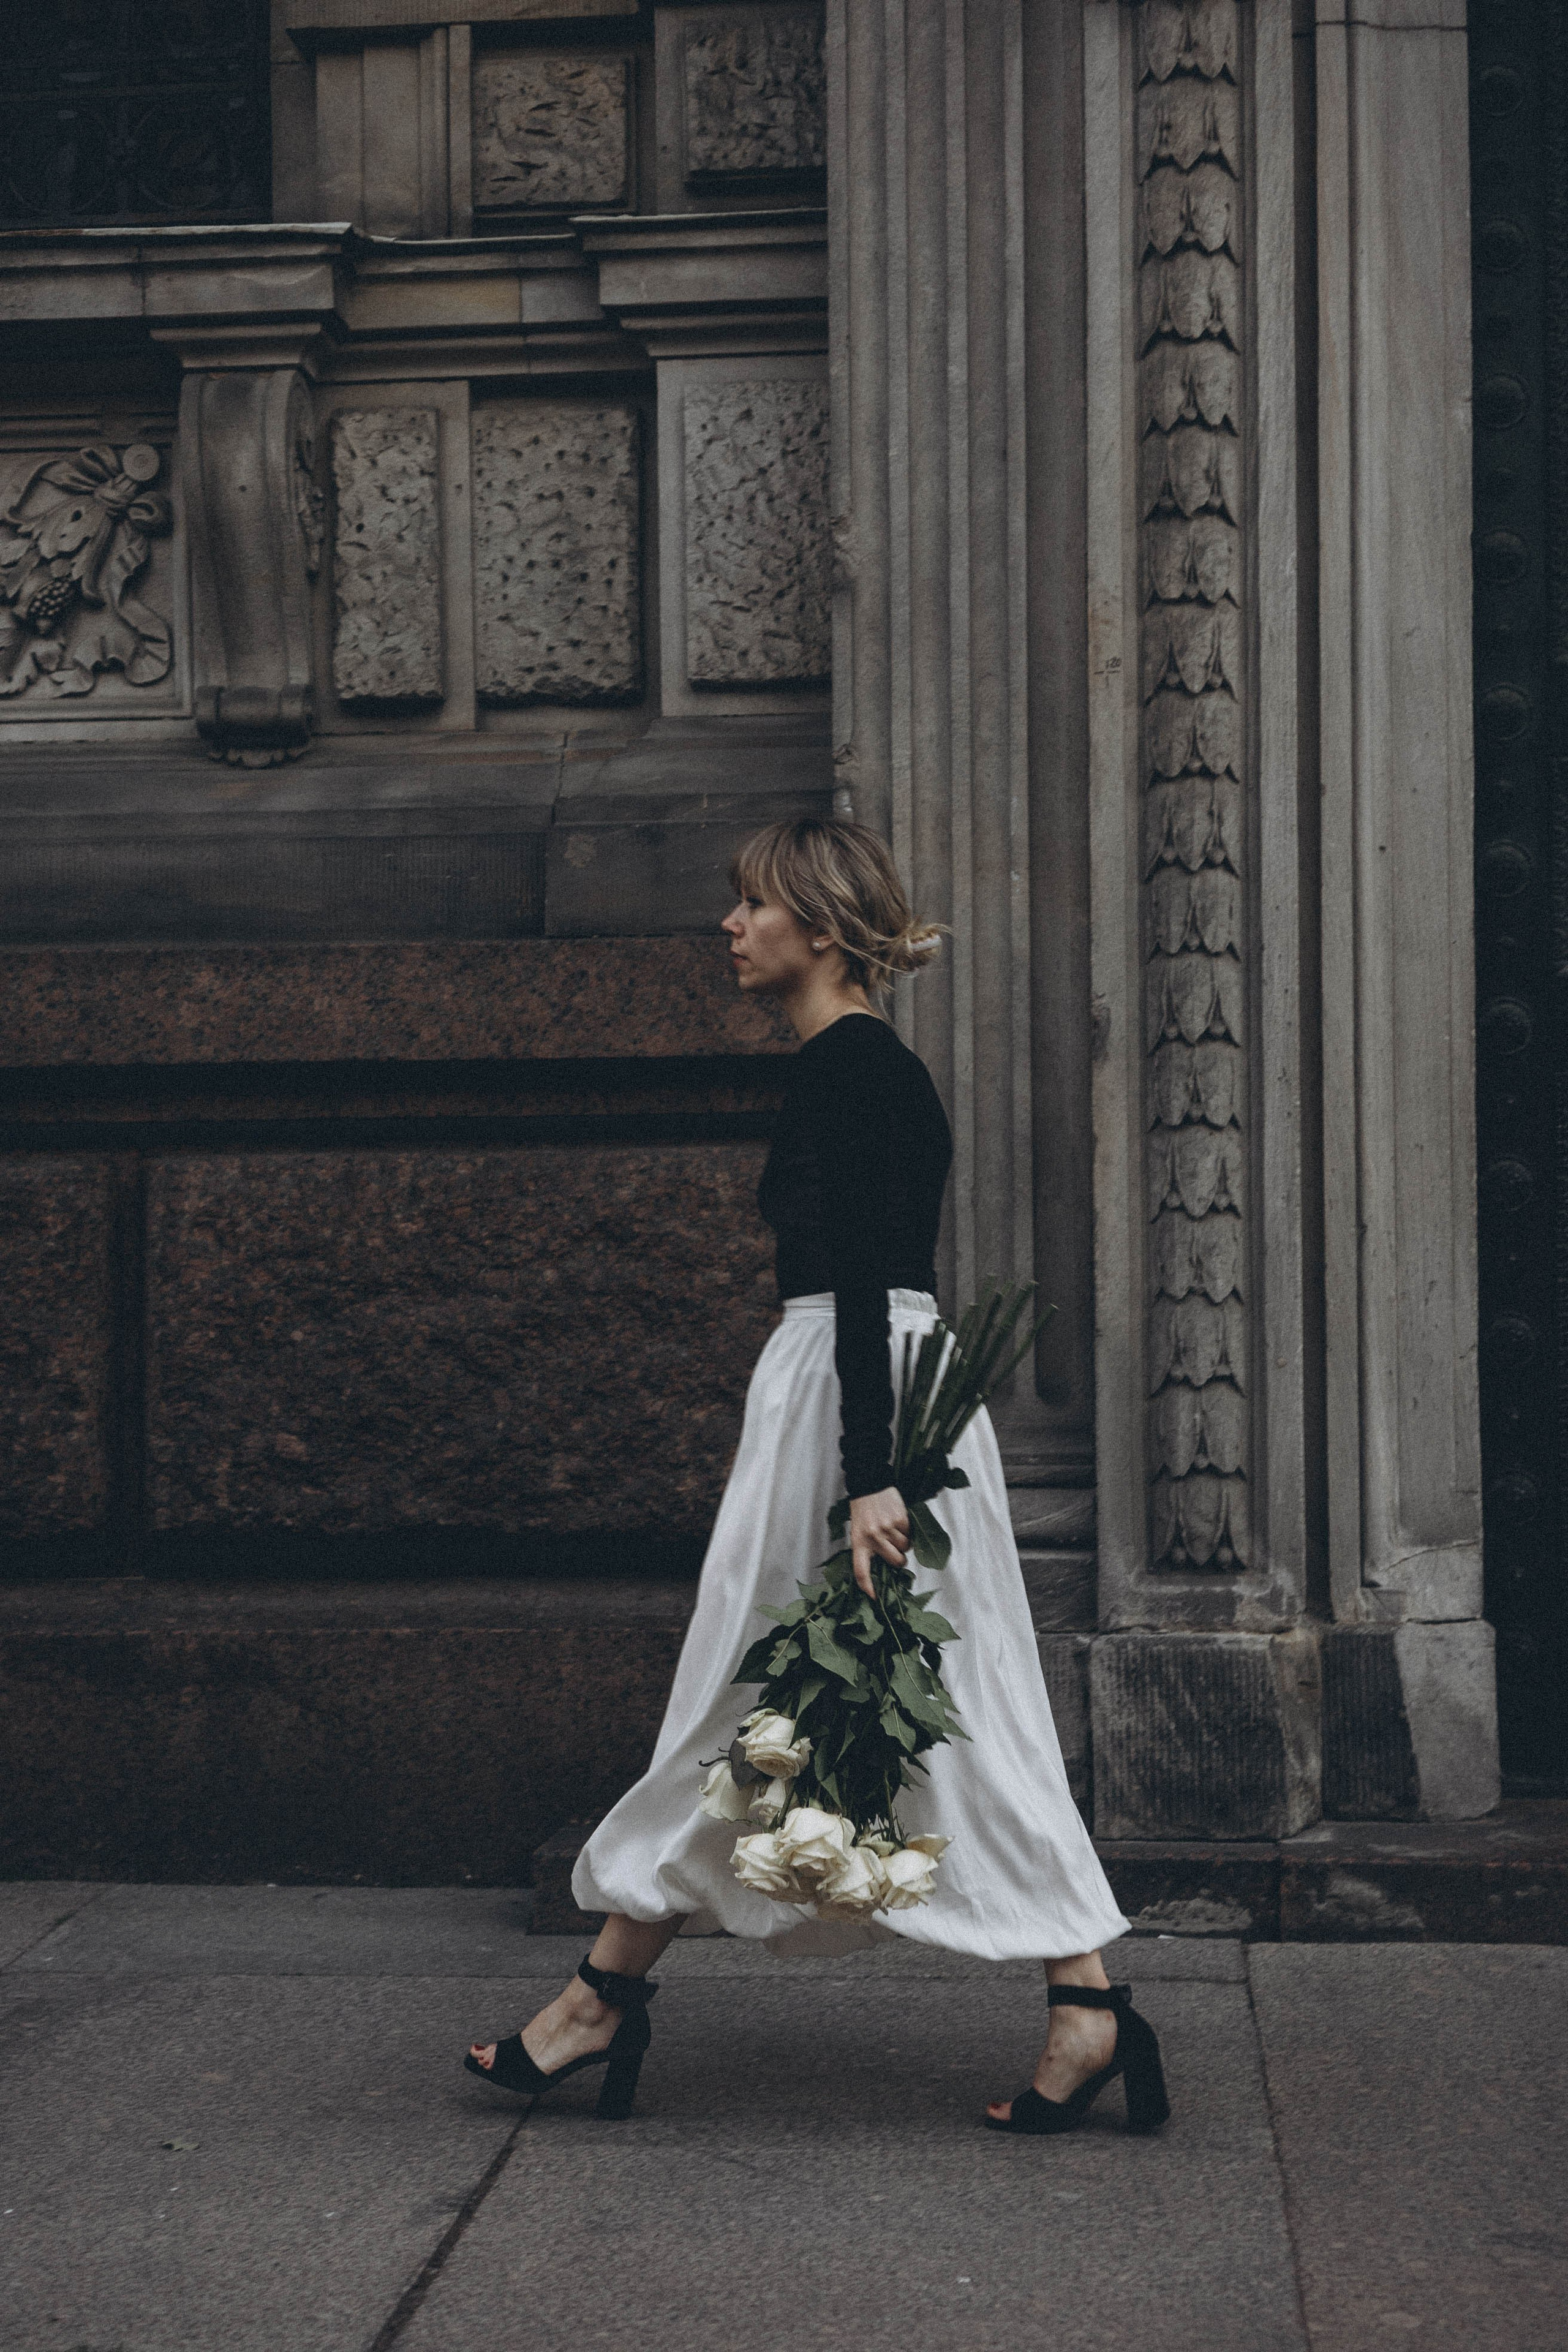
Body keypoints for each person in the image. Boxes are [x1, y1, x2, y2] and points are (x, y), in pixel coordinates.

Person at [465, 817, 1167, 2136]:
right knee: (834, 1705)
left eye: (751, 906)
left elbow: (858, 1291)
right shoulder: (856, 1069)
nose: (728, 927)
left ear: (820, 932)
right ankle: (1079, 2008)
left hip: (856, 1412)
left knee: (800, 1701)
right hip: (862, 1404)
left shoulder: (850, 1071)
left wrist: (866, 1478)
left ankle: (600, 2007)